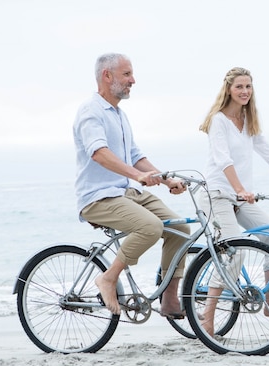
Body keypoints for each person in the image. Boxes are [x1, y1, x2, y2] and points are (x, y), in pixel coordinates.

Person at [198, 67, 269, 335]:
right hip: (217, 195)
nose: (245, 91)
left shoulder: (248, 121)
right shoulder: (218, 120)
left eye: (248, 87)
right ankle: (208, 317)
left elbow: (268, 152)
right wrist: (239, 188)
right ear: (228, 89)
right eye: (239, 86)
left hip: (241, 196)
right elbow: (222, 159)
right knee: (234, 252)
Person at [73, 52, 190, 318]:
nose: (133, 80)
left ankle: (169, 297)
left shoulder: (119, 114)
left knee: (181, 228)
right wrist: (136, 175)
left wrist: (166, 178)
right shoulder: (90, 111)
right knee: (150, 227)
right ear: (107, 75)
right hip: (99, 197)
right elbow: (98, 152)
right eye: (127, 74)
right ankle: (108, 278)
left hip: (128, 193)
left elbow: (136, 156)